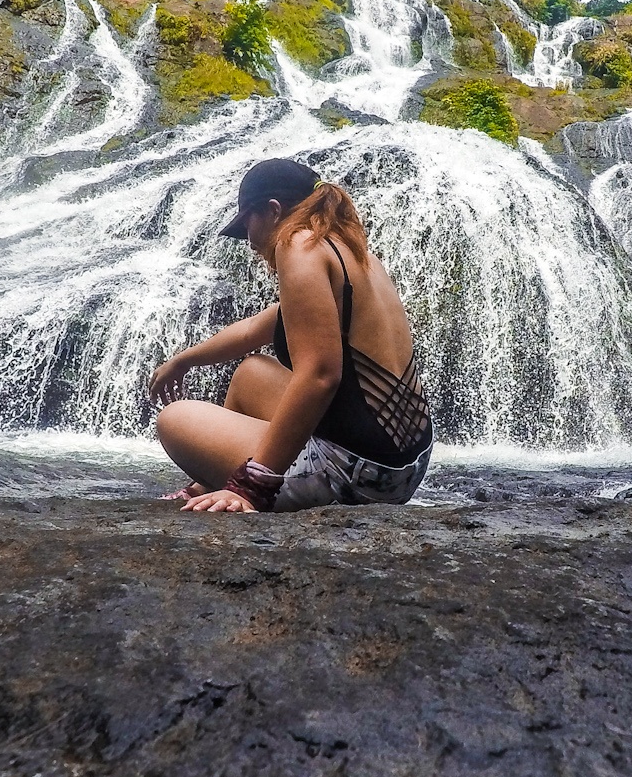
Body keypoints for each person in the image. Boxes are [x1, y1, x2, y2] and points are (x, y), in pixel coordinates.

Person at [149, 158, 434, 514]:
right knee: (251, 373)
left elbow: (320, 376)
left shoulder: (297, 245)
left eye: (246, 224)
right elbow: (254, 329)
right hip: (403, 466)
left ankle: (243, 481)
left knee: (174, 419)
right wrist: (182, 361)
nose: (248, 241)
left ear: (273, 211)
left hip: (353, 476)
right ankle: (206, 483)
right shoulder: (353, 252)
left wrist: (252, 487)